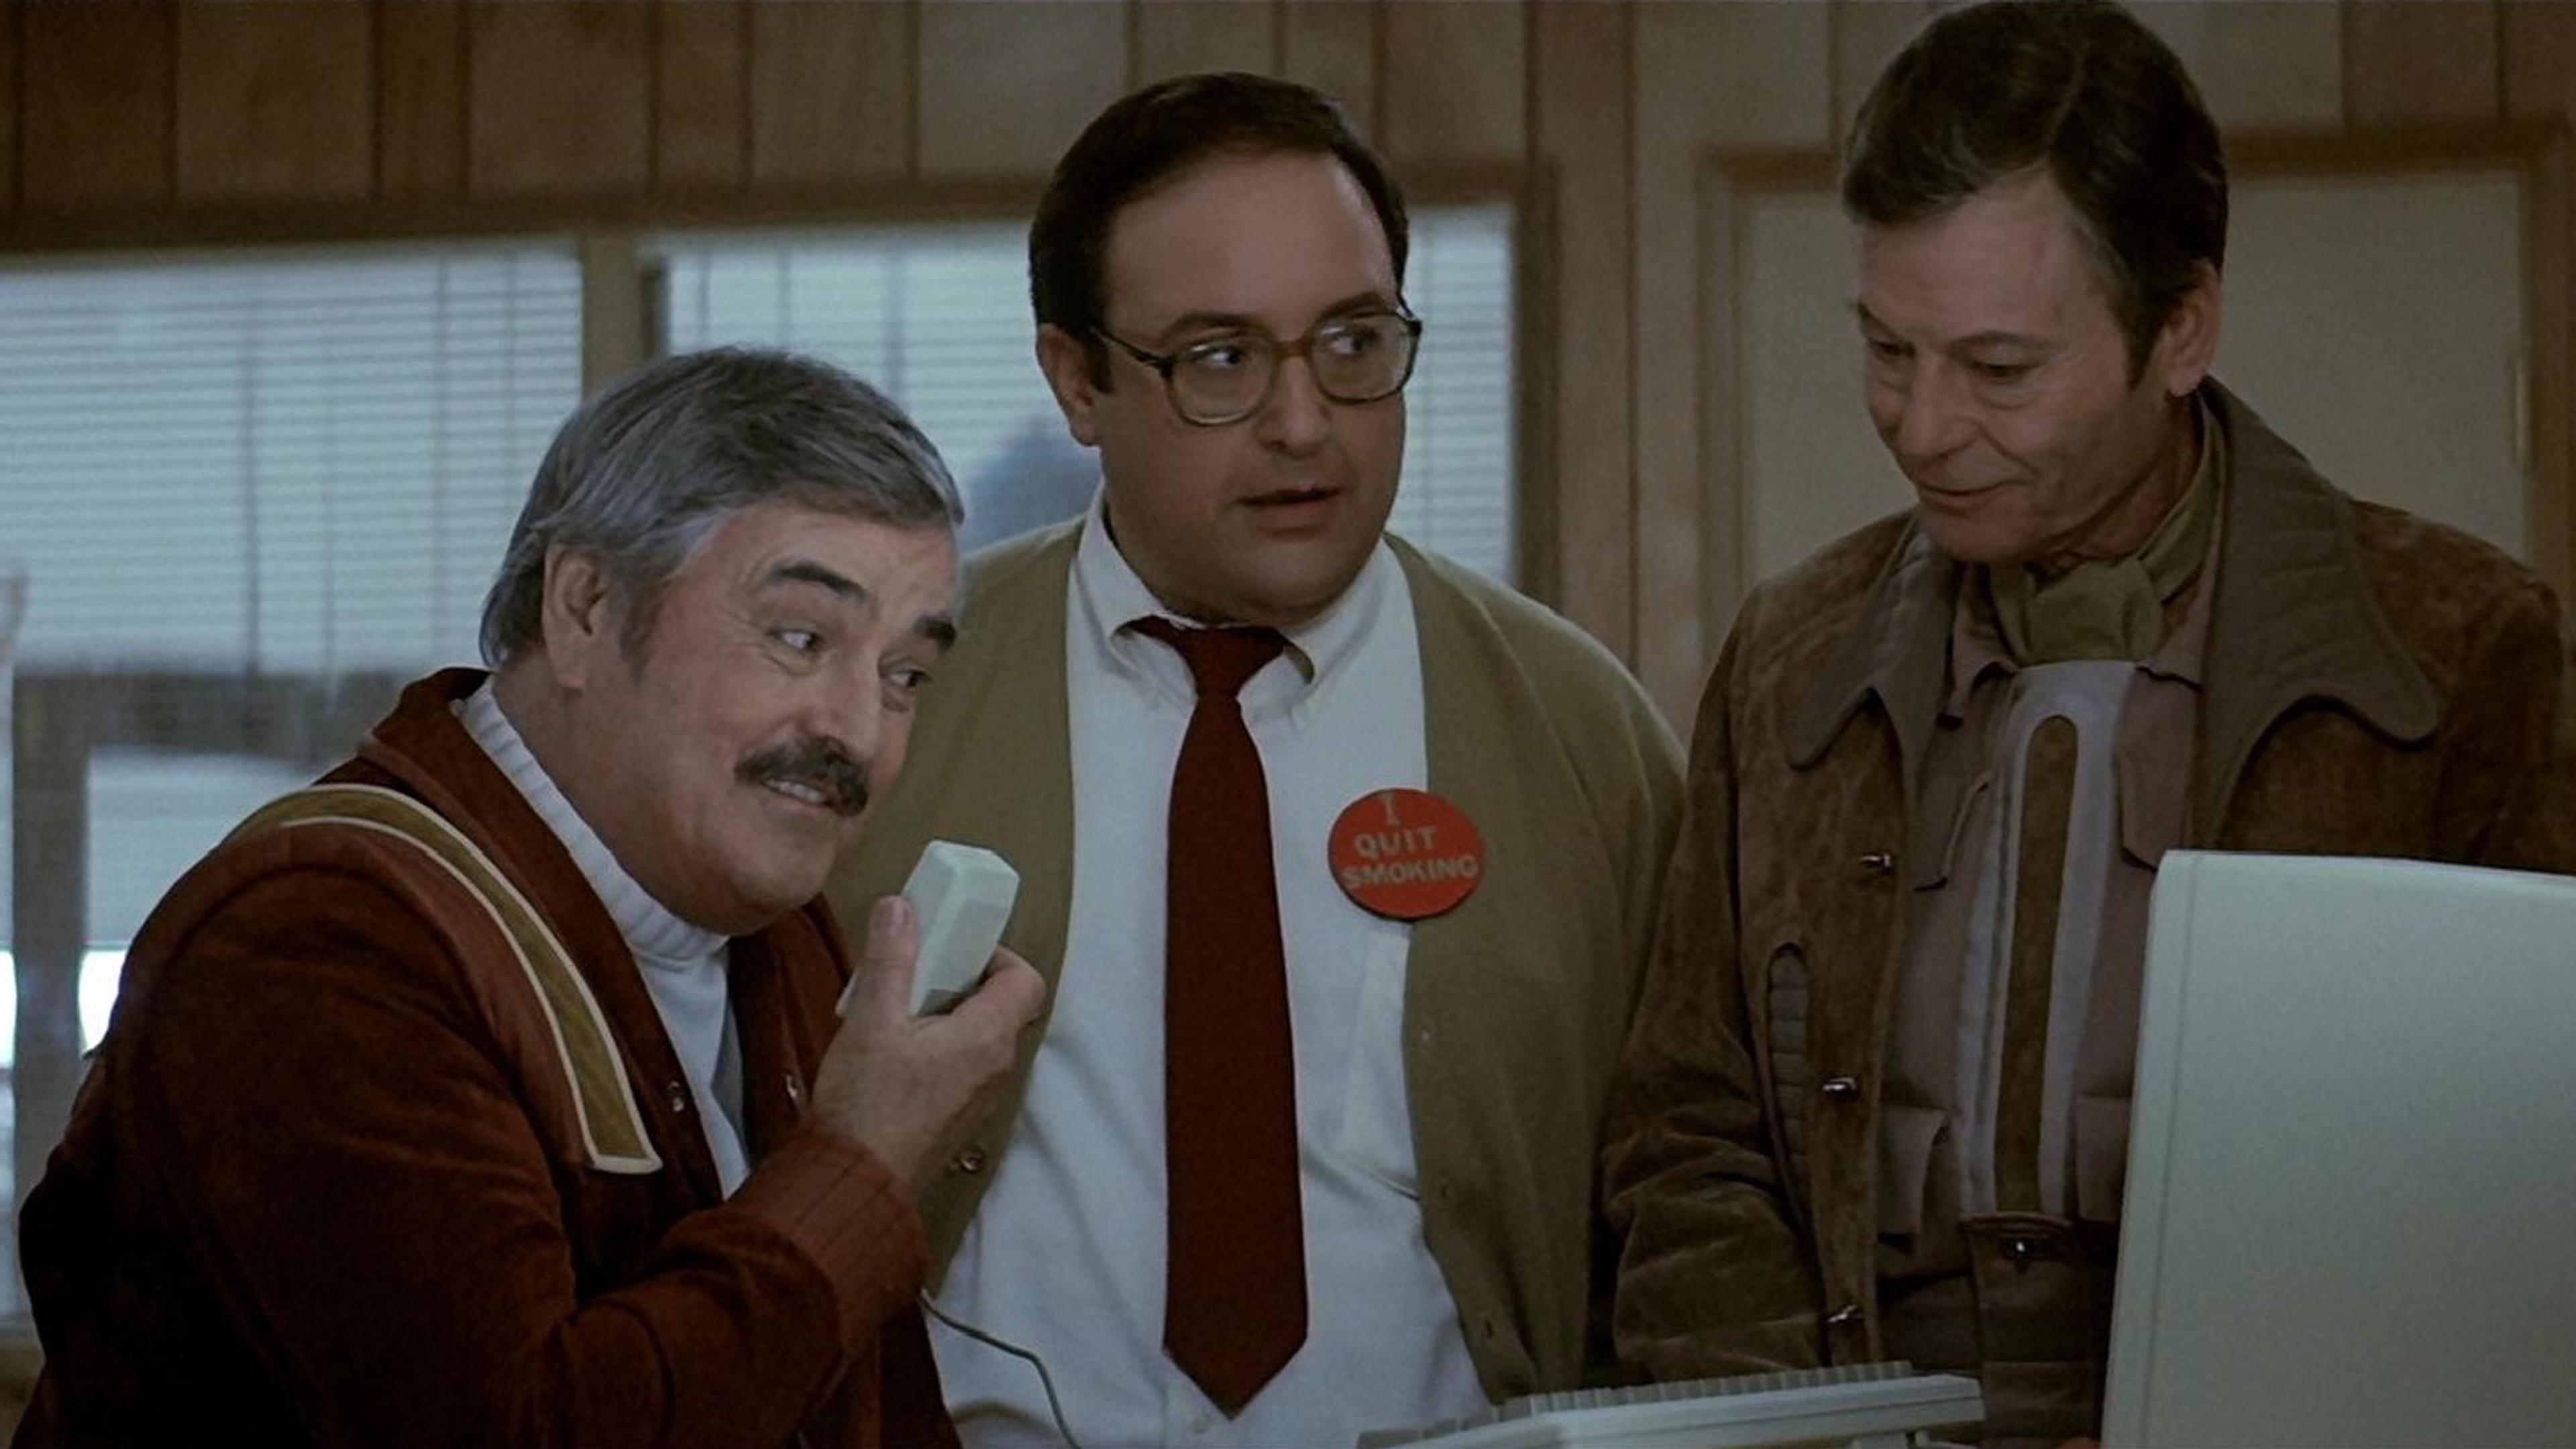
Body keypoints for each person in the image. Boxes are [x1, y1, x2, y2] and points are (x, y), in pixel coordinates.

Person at [1601, 3, 2576, 1445]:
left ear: (2180, 329)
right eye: (1887, 351)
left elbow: (2522, 1173)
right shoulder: (1786, 656)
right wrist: (1786, 1428)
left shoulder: (2463, 651)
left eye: (1998, 371)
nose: (1925, 428)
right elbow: (1690, 1136)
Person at [833, 72, 1682, 1447]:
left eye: (1353, 341)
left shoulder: (1582, 733)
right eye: (1220, 360)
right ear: (1076, 380)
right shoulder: (898, 697)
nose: (1305, 422)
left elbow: (1680, 1194)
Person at [15, 348, 1049, 1448]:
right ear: (587, 607)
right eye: (800, 639)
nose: (856, 731)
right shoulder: (320, 945)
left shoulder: (772, 918)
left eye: (906, 678)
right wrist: (864, 1165)